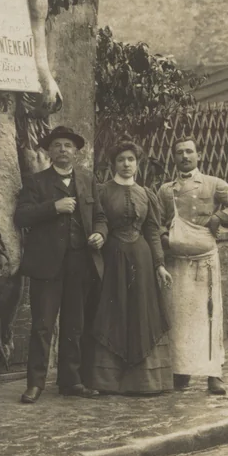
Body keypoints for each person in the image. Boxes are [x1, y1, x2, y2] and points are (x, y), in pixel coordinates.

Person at [14, 125, 107, 405]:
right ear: (49, 151)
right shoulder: (36, 181)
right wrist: (53, 207)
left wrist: (100, 233)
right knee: (42, 325)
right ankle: (35, 384)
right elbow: (21, 216)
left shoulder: (88, 180)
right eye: (57, 146)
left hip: (80, 261)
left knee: (75, 324)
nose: (63, 150)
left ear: (76, 152)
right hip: (46, 264)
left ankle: (71, 381)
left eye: (68, 145)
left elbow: (100, 215)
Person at [157, 136, 228, 395]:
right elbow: (158, 221)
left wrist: (219, 217)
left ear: (198, 155)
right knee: (179, 316)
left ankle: (213, 374)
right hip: (176, 260)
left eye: (189, 151)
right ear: (174, 157)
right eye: (179, 153)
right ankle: (181, 370)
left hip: (206, 259)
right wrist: (165, 235)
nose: (185, 157)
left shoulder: (212, 183)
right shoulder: (166, 190)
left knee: (209, 315)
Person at [88, 143, 173, 395]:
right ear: (113, 163)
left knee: (140, 312)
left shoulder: (146, 194)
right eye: (121, 159)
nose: (127, 164)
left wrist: (159, 265)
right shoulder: (102, 191)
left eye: (131, 160)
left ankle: (143, 381)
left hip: (142, 258)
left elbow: (153, 232)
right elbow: (98, 222)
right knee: (114, 311)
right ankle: (108, 381)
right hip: (113, 257)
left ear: (137, 163)